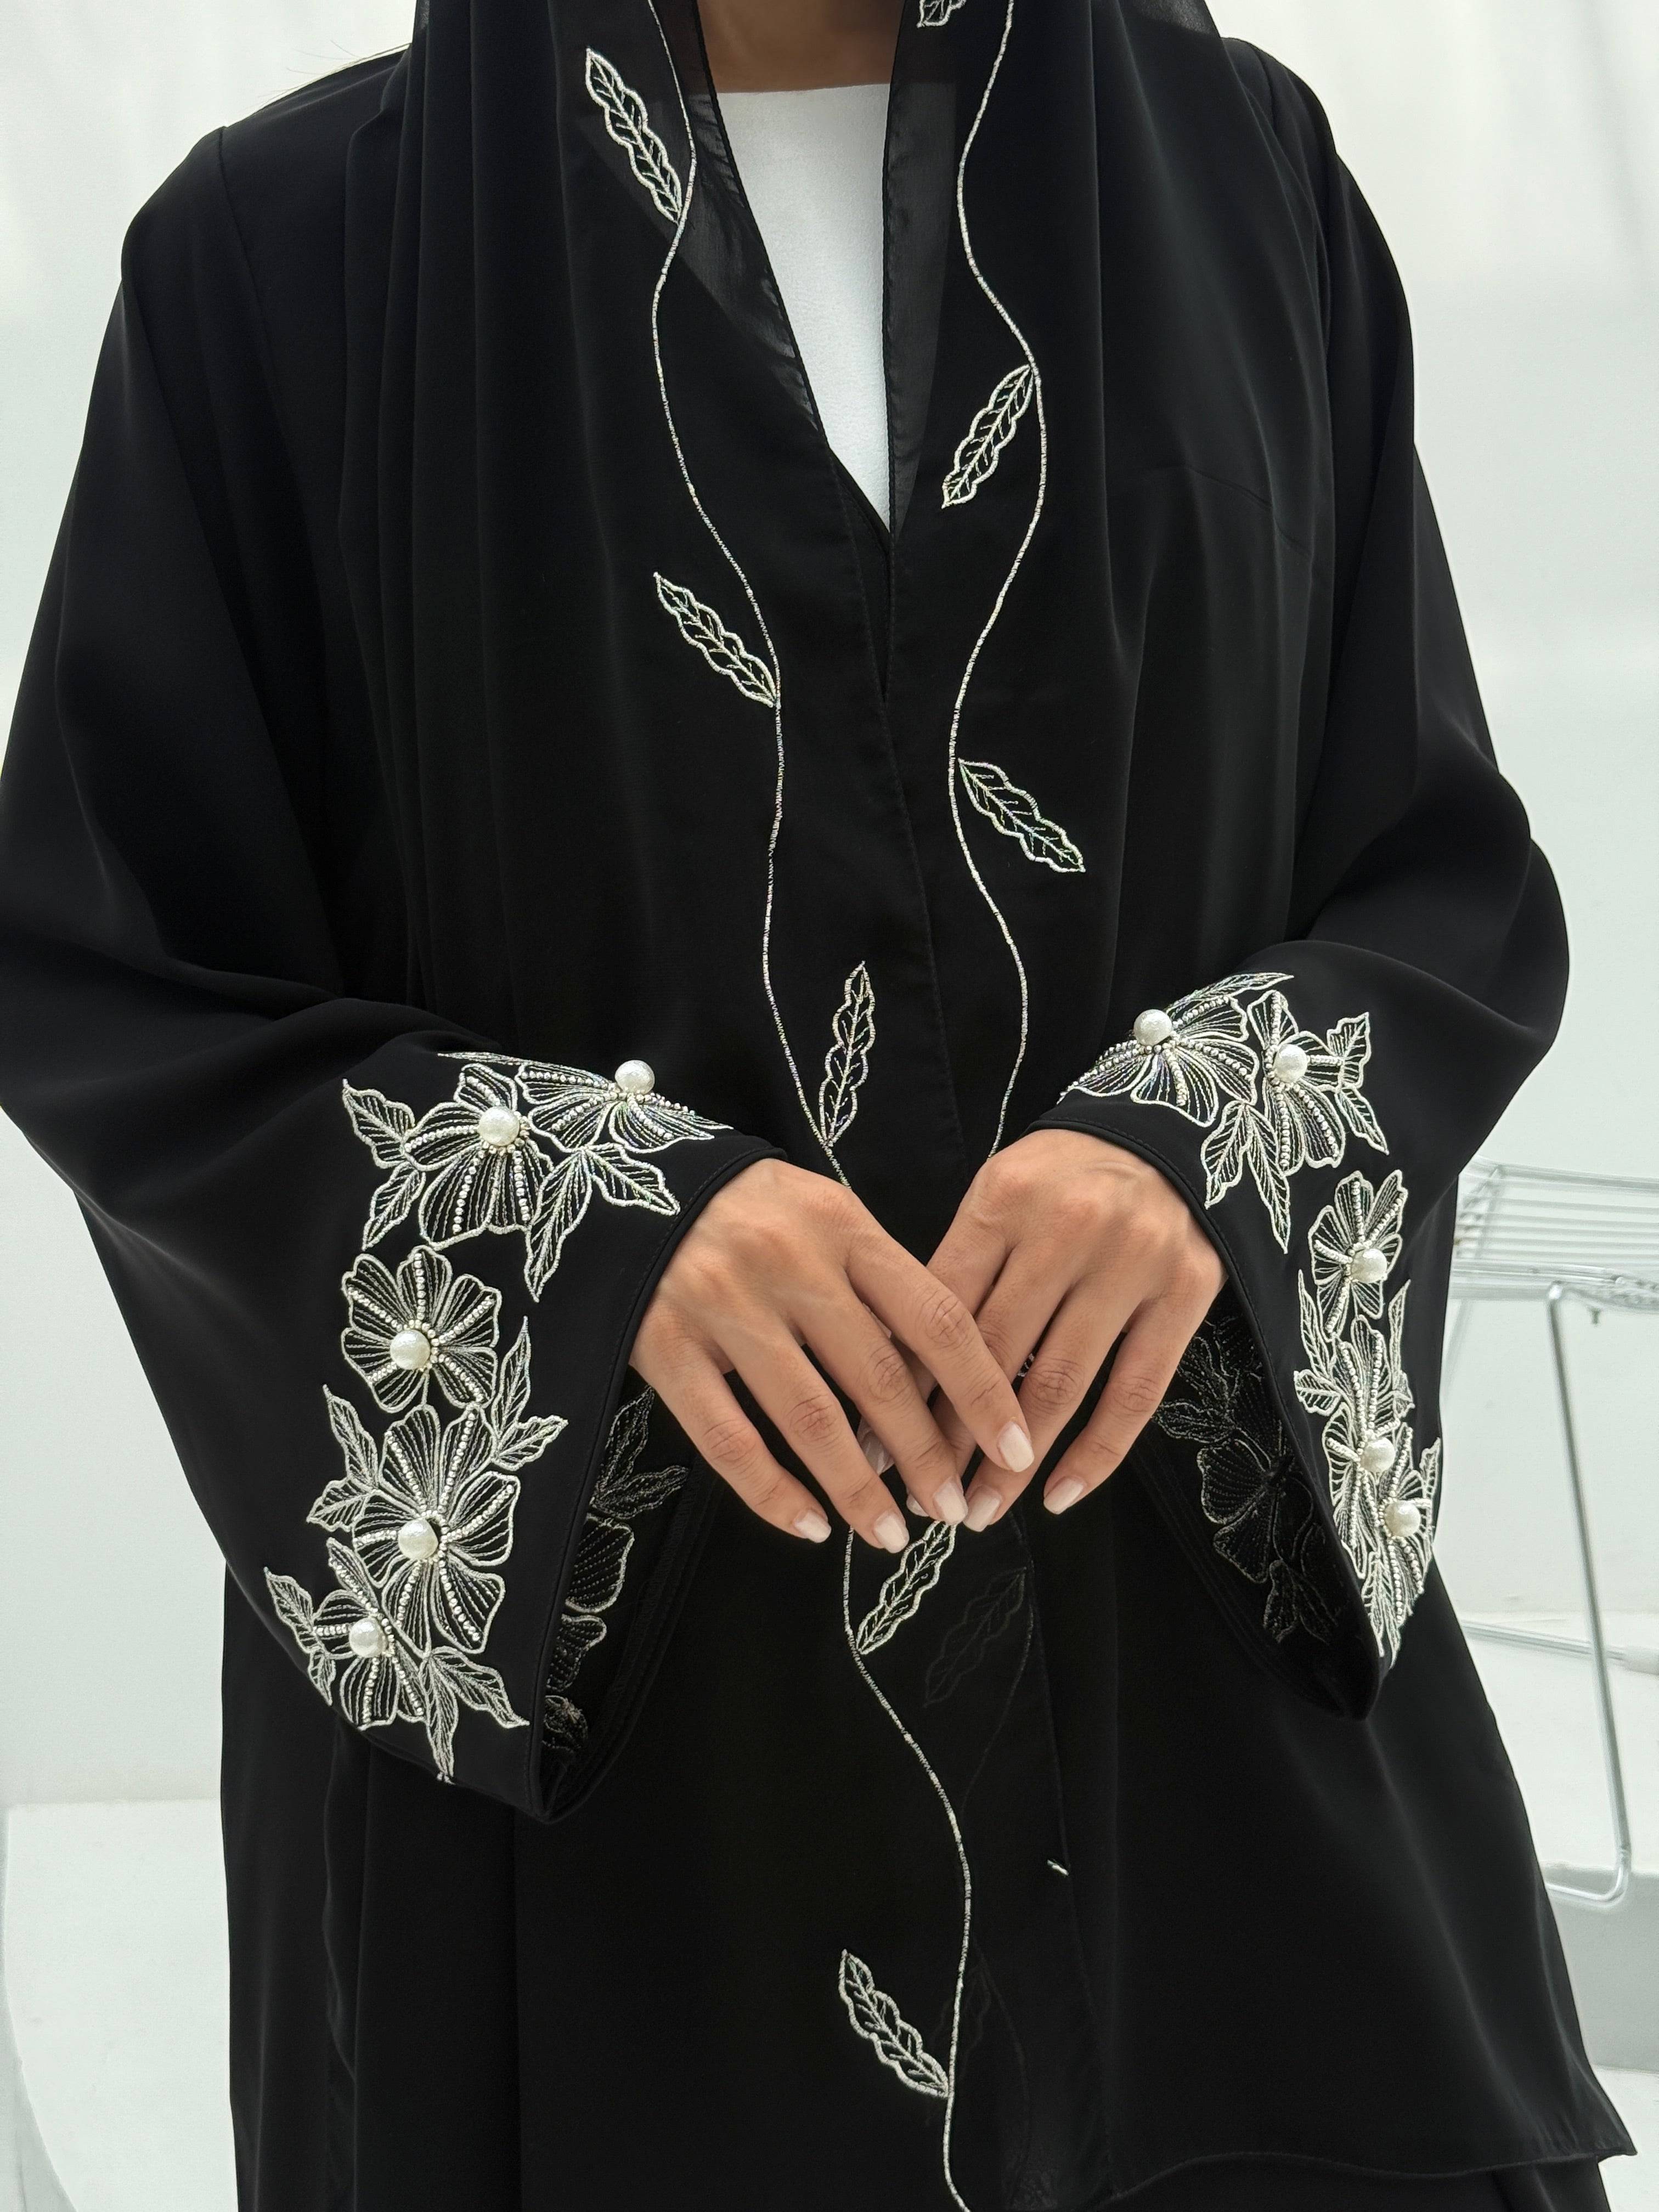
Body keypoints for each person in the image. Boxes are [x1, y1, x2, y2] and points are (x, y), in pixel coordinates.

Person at [0, 0, 1634, 2204]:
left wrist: (1196, 1142)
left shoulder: (1250, 185)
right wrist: (606, 1225)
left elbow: (1434, 877)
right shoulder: (284, 261)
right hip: (616, 1822)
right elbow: (116, 982)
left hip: (1211, 1768)